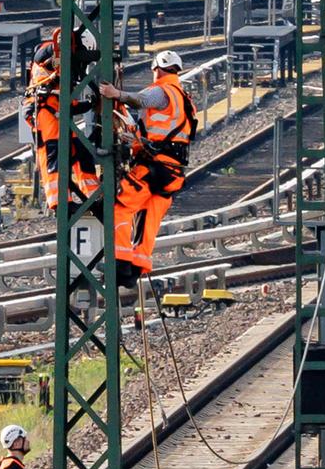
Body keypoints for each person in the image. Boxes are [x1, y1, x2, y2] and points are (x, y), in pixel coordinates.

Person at [99, 49, 197, 287]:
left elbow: (141, 100)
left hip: (154, 166)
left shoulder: (163, 90)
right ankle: (134, 271)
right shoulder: (184, 99)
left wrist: (115, 94)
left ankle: (120, 263)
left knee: (120, 206)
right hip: (173, 173)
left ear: (157, 69)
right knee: (147, 219)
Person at [25, 27, 101, 213]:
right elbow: (44, 57)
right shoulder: (49, 52)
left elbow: (69, 103)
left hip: (58, 113)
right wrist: (60, 48)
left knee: (81, 152)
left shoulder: (63, 70)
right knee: (54, 154)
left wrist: (89, 104)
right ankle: (59, 202)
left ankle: (94, 195)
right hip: (44, 113)